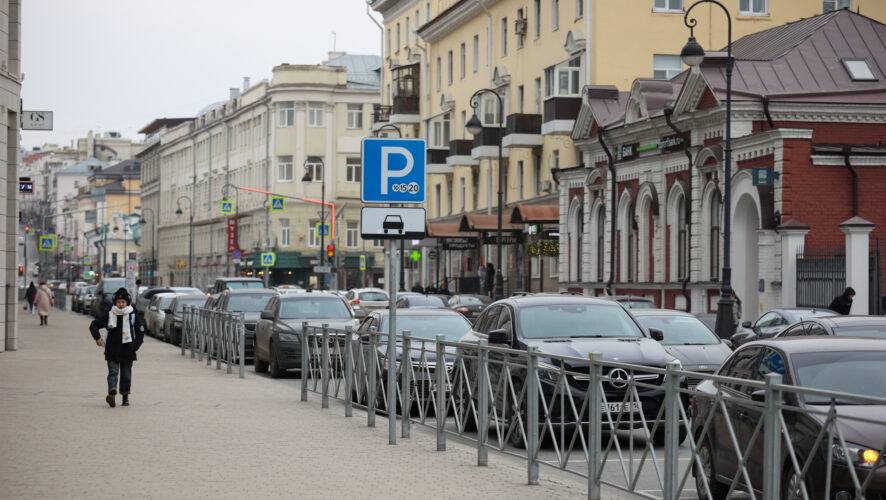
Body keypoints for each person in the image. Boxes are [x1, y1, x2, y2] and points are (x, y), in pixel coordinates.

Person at [89, 288, 146, 408]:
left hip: (128, 350)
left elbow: (140, 332)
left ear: (127, 303)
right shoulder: (110, 314)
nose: (120, 304)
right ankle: (112, 394)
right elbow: (94, 325)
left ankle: (125, 397)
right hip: (112, 349)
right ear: (115, 302)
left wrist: (134, 346)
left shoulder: (132, 315)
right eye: (118, 302)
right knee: (113, 372)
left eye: (123, 302)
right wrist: (97, 338)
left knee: (126, 375)